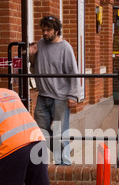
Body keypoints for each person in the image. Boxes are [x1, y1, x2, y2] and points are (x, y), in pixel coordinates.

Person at [29, 15, 80, 165]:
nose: (45, 33)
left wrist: (73, 96)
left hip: (60, 97)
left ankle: (63, 164)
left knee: (59, 132)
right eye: (43, 30)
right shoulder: (40, 44)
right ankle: (64, 149)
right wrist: (32, 56)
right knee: (40, 130)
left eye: (48, 30)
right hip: (43, 96)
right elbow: (34, 69)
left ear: (57, 31)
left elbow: (73, 72)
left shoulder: (65, 48)